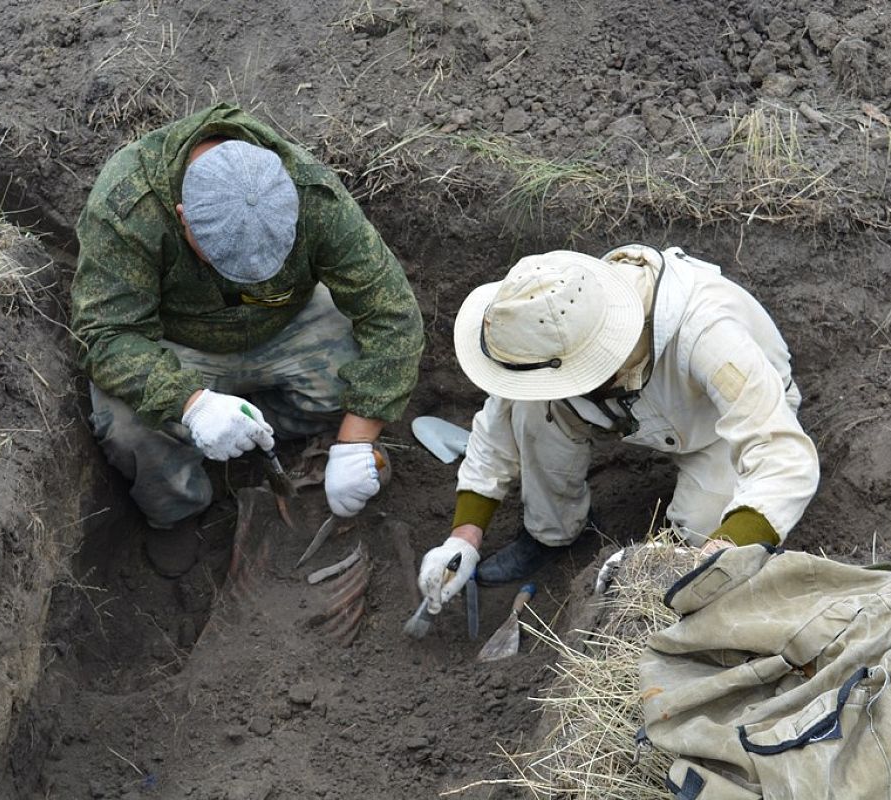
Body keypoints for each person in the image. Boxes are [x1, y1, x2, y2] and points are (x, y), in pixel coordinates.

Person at [71, 103, 424, 576]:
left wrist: (357, 441)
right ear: (182, 218)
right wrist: (191, 403)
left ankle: (250, 440)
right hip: (176, 342)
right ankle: (180, 505)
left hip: (286, 323)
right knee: (129, 428)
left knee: (358, 378)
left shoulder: (312, 195)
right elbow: (106, 334)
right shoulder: (128, 207)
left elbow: (392, 312)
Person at [417, 246, 819, 610]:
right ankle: (551, 533)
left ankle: (680, 547)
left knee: (704, 535)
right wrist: (463, 537)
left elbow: (782, 457)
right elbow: (497, 425)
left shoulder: (708, 335)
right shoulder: (549, 321)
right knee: (529, 410)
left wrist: (712, 554)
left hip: (718, 426)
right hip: (636, 410)